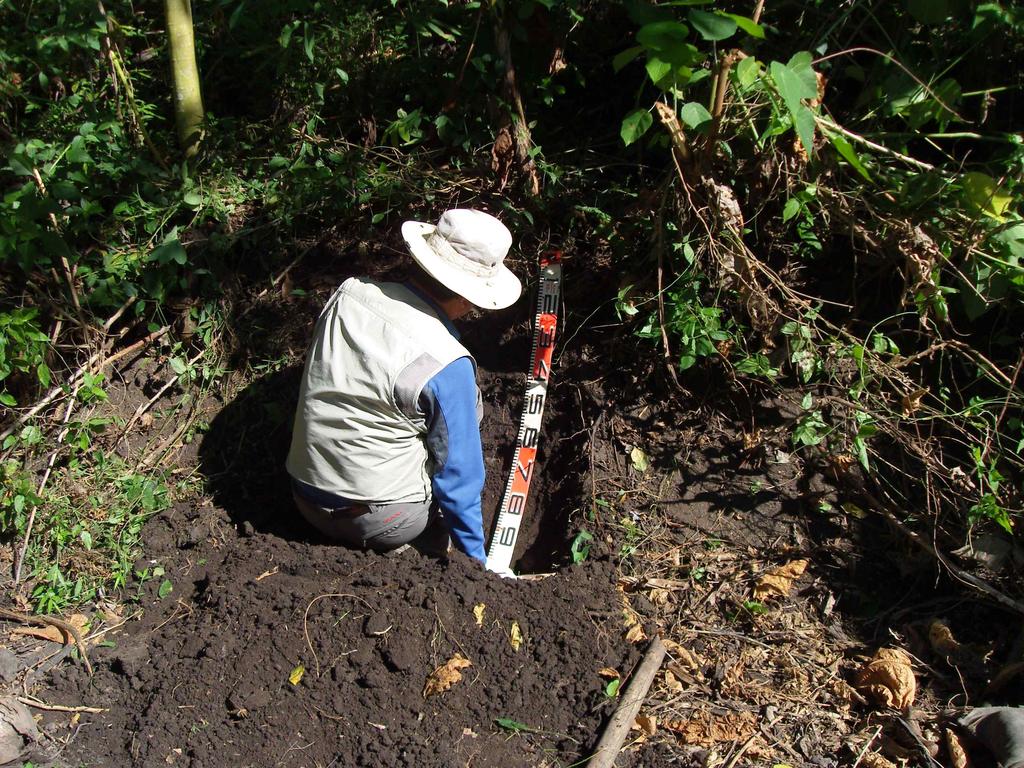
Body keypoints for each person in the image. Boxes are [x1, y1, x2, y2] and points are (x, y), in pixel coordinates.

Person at [285, 209, 522, 569]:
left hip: (303, 496)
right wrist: (476, 562)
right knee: (461, 413)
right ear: (467, 298)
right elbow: (458, 479)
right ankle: (418, 551)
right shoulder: (446, 362)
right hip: (382, 522)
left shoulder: (349, 294)